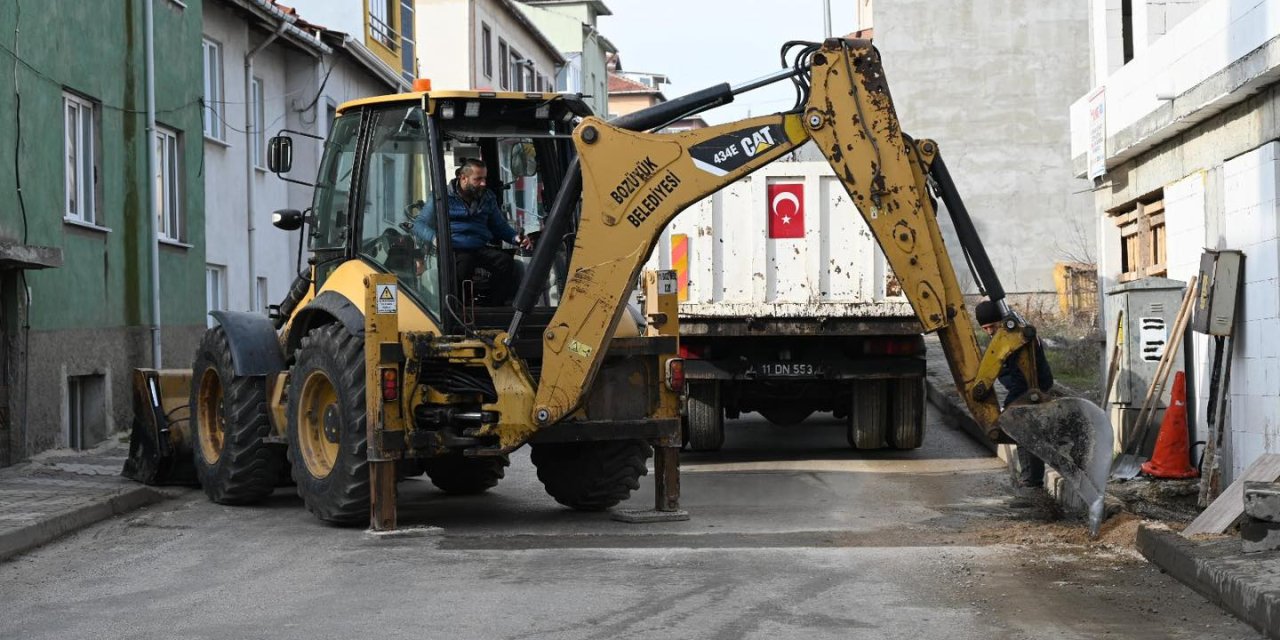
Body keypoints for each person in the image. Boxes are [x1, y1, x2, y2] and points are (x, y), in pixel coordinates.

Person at [413, 158, 532, 304]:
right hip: (453, 248)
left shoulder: (487, 197)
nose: (483, 183)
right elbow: (419, 224)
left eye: (484, 178)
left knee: (505, 262)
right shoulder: (441, 197)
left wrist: (515, 238)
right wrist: (435, 238)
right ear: (463, 178)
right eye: (478, 179)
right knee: (465, 264)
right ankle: (458, 309)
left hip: (479, 247)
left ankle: (494, 308)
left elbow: (499, 226)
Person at [974, 299, 1055, 501]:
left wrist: (1008, 408)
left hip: (1030, 389)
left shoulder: (1013, 339)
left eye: (992, 326)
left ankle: (1031, 487)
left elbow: (1021, 380)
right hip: (1029, 388)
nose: (990, 331)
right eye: (985, 328)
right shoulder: (1009, 334)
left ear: (1001, 321)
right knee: (1026, 432)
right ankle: (1031, 483)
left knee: (1023, 431)